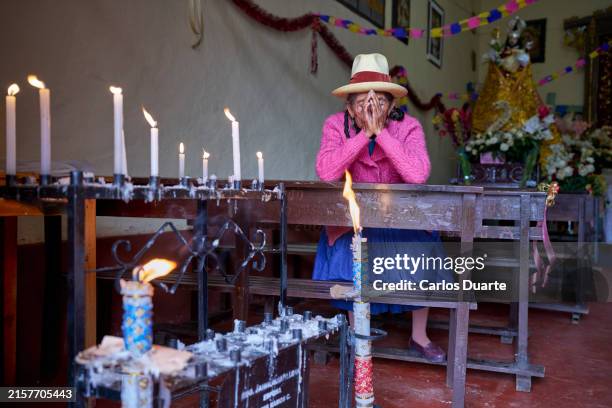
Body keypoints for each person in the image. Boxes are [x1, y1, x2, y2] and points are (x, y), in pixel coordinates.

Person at [312, 53, 447, 363]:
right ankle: (359, 335)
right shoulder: (336, 125)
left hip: (400, 218)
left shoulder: (408, 127)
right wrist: (363, 135)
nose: (371, 109)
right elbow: (326, 171)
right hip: (354, 219)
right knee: (349, 247)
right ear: (348, 106)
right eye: (361, 104)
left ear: (392, 105)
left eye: (379, 103)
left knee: (421, 245)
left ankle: (419, 335)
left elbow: (417, 174)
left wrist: (382, 134)